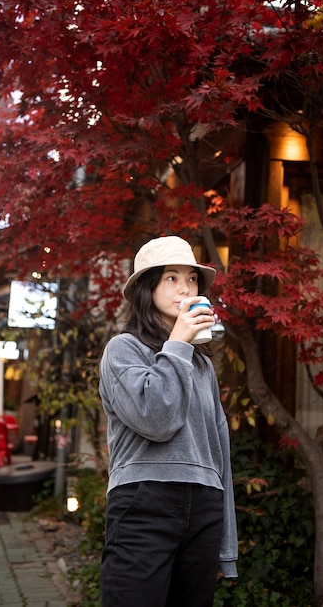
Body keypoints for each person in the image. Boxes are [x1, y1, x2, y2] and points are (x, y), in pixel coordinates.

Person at [99, 235, 238, 607]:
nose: (185, 288)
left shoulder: (202, 365)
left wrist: (226, 546)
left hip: (204, 504)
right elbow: (157, 419)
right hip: (145, 499)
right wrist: (178, 342)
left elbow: (218, 450)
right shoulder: (123, 349)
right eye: (172, 278)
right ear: (148, 288)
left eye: (192, 279)